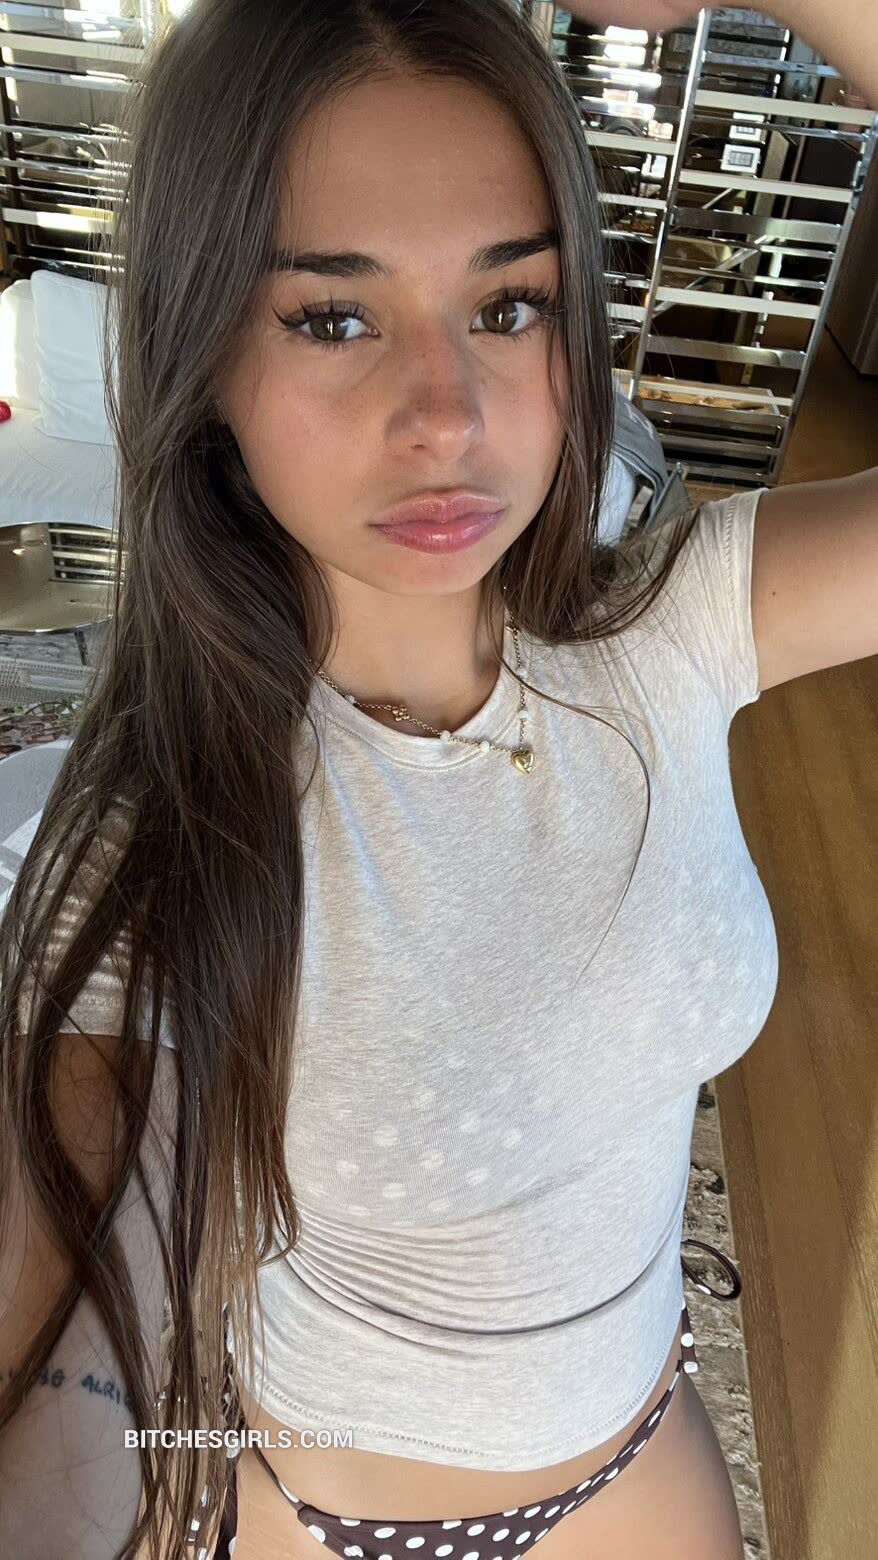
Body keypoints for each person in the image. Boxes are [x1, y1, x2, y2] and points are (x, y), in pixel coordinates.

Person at [0, 2, 875, 1558]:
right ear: (204, 360)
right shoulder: (155, 823)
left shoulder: (672, 629)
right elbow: (61, 1348)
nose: (447, 416)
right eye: (333, 319)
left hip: (641, 1466)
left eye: (508, 305)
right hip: (322, 1519)